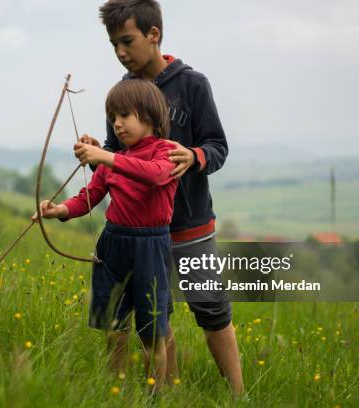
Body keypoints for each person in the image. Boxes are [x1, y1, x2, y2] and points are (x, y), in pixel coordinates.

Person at [78, 0, 244, 395]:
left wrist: (196, 156)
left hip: (191, 224)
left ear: (154, 35)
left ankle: (240, 397)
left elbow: (217, 146)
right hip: (139, 233)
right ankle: (165, 396)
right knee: (156, 316)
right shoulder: (121, 93)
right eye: (113, 44)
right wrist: (93, 153)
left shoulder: (192, 85)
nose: (120, 52)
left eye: (127, 41)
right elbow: (114, 159)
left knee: (212, 311)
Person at [34, 79, 178, 390]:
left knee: (152, 332)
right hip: (113, 245)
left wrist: (105, 156)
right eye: (113, 117)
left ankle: (155, 395)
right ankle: (118, 390)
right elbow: (90, 195)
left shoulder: (166, 151)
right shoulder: (114, 158)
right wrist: (59, 210)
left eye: (125, 115)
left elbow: (156, 175)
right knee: (114, 327)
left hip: (150, 248)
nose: (117, 123)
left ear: (150, 114)